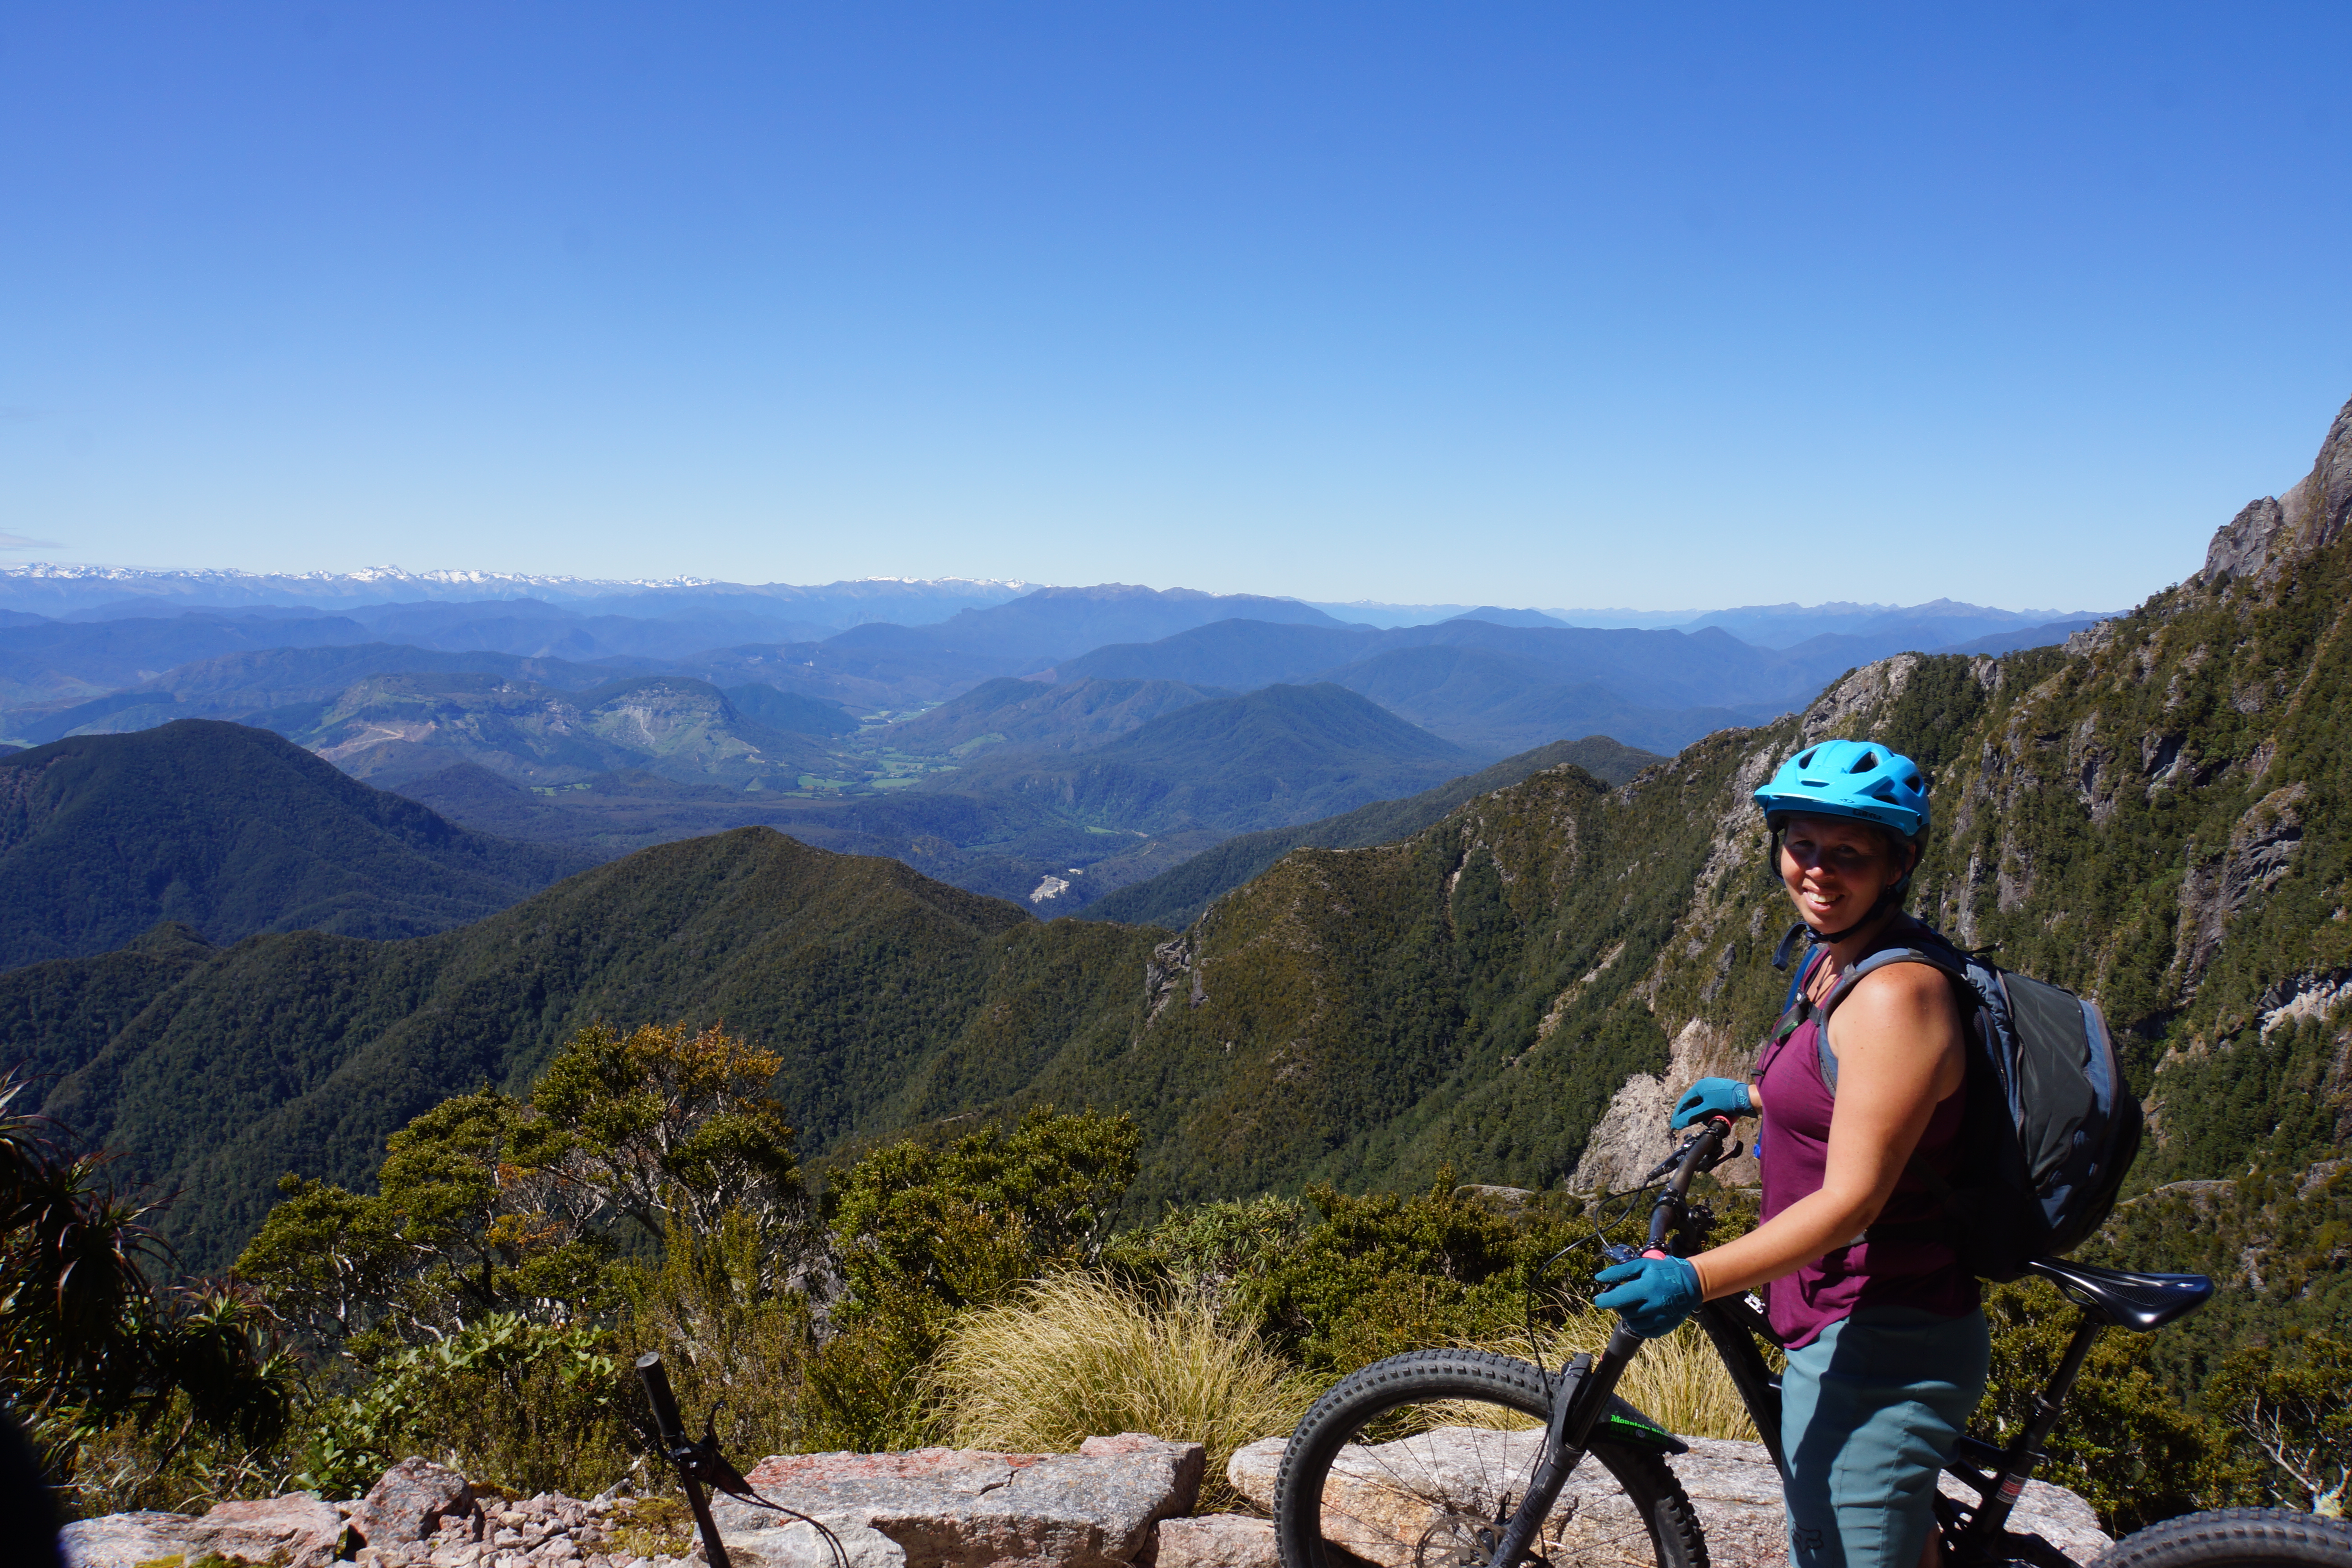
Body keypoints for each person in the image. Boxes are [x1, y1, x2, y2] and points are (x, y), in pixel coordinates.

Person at [1592, 739, 1984, 1568]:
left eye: (1849, 852)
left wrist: (1692, 1278)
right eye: (1802, 844)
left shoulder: (1896, 995)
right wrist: (1759, 1095)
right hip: (1839, 1319)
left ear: (1898, 861)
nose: (1818, 869)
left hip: (1883, 1343)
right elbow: (1867, 1097)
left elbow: (1854, 1202)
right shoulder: (1834, 958)